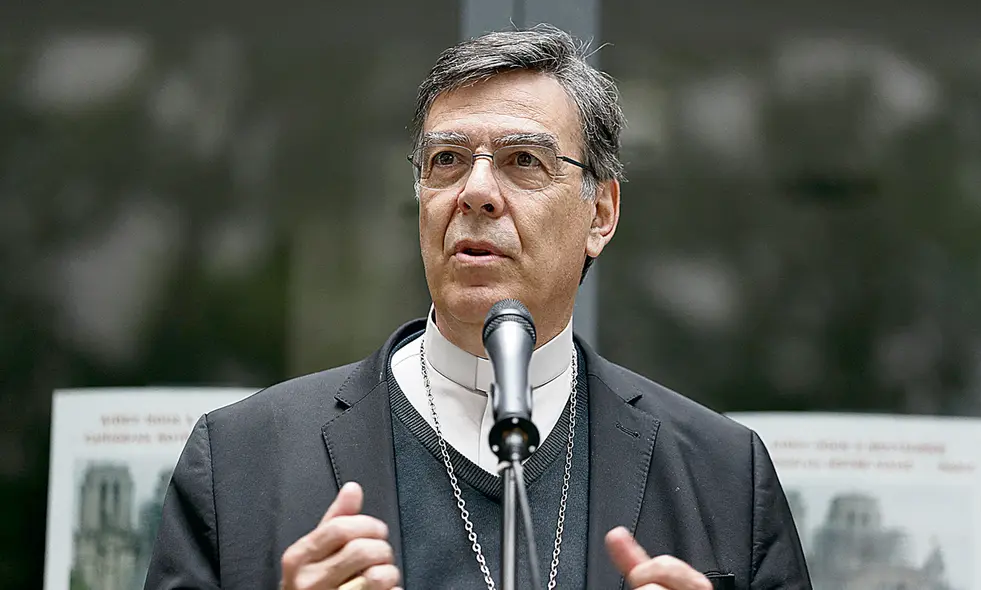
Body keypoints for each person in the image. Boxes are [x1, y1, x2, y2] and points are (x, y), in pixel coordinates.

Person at [145, 25, 811, 590]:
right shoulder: (240, 462)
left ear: (601, 214)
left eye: (523, 160)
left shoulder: (724, 474)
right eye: (447, 160)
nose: (476, 191)